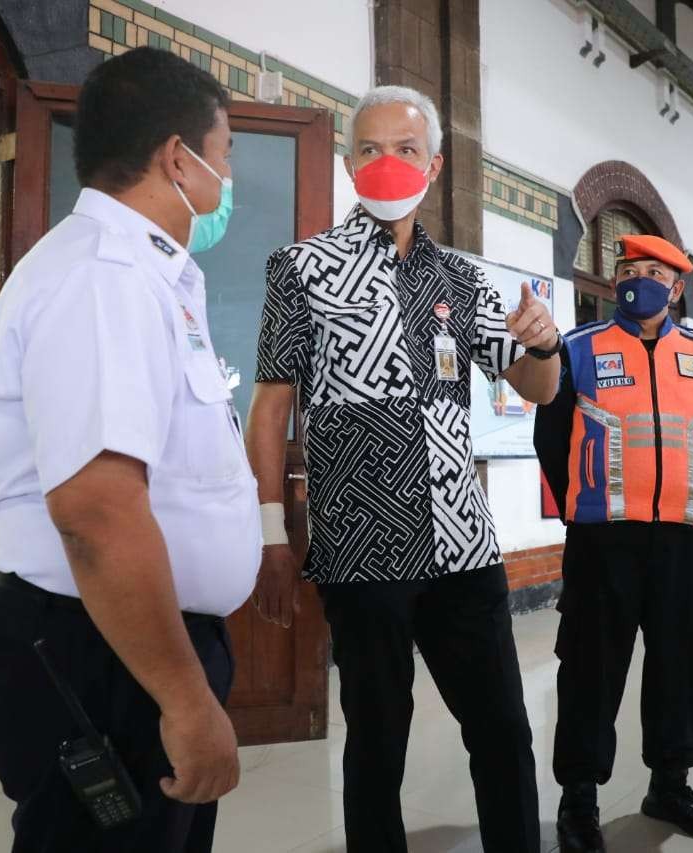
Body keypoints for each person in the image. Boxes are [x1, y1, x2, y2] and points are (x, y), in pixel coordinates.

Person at [248, 84, 557, 853]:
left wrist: (546, 343)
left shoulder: (462, 278)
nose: (389, 163)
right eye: (372, 148)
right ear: (350, 162)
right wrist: (271, 536)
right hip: (363, 549)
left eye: (407, 148)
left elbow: (536, 386)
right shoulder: (301, 268)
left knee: (503, 734)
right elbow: (269, 410)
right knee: (376, 746)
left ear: (436, 163)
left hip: (464, 546)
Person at [0, 47, 256, 851]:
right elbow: (96, 513)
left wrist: (7, 543)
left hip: (120, 634)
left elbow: (67, 469)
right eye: (224, 154)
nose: (225, 180)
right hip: (107, 655)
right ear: (178, 157)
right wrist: (189, 701)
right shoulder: (106, 278)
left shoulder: (146, 276)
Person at [535, 234, 693, 850]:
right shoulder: (577, 349)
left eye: (652, 271)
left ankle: (669, 783)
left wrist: (672, 490)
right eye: (626, 269)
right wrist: (588, 502)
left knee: (680, 657)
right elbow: (552, 439)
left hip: (681, 537)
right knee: (591, 666)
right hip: (603, 539)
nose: (635, 279)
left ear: (676, 288)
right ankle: (579, 799)